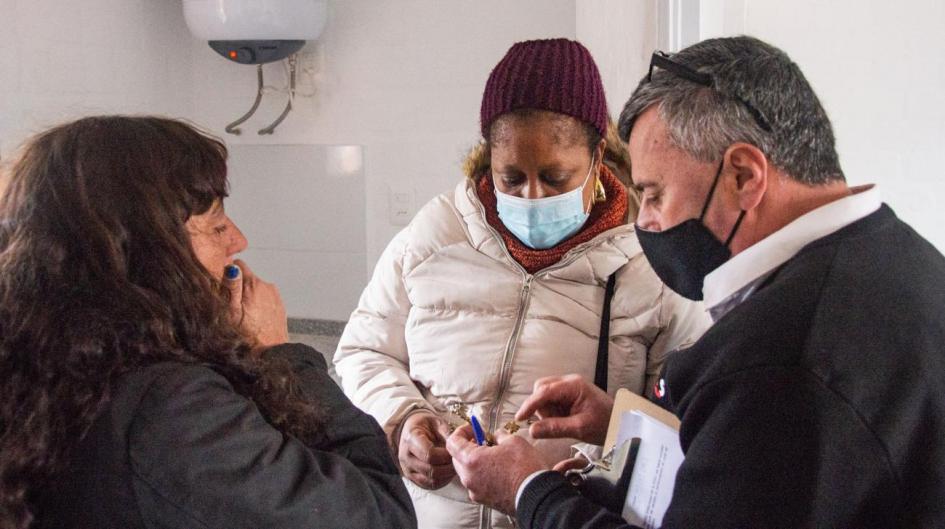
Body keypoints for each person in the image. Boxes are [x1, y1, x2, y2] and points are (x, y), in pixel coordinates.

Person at [446, 35, 945, 528]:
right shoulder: (903, 260)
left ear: (744, 176)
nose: (646, 223)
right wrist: (623, 424)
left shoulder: (778, 362)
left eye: (655, 194)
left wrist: (530, 491)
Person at [334, 38, 709, 529]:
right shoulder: (436, 234)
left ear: (598, 157)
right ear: (487, 155)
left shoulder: (649, 264)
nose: (532, 197)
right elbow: (362, 350)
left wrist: (607, 430)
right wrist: (402, 421)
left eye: (555, 178)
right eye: (511, 177)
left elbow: (690, 424)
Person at [0, 116, 416, 529]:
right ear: (148, 253)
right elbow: (380, 515)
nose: (238, 240)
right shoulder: (170, 408)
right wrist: (282, 356)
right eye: (217, 225)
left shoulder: (39, 364)